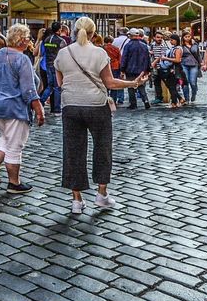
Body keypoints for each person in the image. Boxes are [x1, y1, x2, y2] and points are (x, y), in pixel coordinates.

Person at [55, 19, 150, 213]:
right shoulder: (99, 53)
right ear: (93, 33)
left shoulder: (63, 53)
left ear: (74, 32)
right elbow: (110, 83)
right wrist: (133, 84)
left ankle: (76, 200)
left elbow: (60, 82)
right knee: (102, 148)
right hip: (96, 106)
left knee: (73, 152)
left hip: (71, 106)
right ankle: (102, 193)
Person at [0, 24, 45, 193]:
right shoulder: (22, 59)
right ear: (22, 40)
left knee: (7, 137)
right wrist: (39, 109)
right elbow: (28, 90)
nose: (29, 41)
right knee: (15, 145)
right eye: (28, 38)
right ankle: (14, 183)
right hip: (14, 107)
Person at [38, 21, 66, 114]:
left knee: (50, 86)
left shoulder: (46, 40)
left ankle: (41, 102)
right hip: (57, 66)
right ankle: (57, 109)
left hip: (48, 64)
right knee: (57, 87)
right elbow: (64, 55)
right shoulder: (61, 41)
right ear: (59, 29)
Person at [120, 29, 152, 109]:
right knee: (141, 86)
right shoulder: (144, 45)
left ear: (130, 35)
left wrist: (122, 70)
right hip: (141, 69)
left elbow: (124, 58)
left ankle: (133, 103)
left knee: (131, 86)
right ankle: (146, 101)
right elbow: (147, 58)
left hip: (130, 69)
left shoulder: (128, 45)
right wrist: (148, 69)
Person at [158, 34, 185, 108]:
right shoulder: (174, 48)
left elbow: (177, 60)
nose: (170, 41)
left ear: (176, 40)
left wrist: (166, 59)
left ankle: (174, 102)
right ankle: (178, 100)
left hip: (175, 69)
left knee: (171, 86)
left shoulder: (178, 49)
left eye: (172, 40)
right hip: (171, 68)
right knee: (170, 85)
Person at [178, 30, 204, 105]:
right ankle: (186, 98)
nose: (187, 38)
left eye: (189, 36)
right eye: (186, 37)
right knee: (185, 82)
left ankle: (194, 93)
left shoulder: (195, 44)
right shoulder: (181, 46)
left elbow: (198, 54)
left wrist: (201, 62)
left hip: (194, 64)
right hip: (184, 64)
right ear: (183, 38)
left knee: (193, 82)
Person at [148, 30, 172, 105]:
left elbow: (161, 56)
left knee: (167, 82)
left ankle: (174, 96)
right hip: (155, 67)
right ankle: (159, 97)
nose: (160, 39)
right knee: (156, 82)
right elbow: (152, 53)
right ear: (154, 38)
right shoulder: (152, 45)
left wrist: (154, 62)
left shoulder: (164, 45)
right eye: (158, 37)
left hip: (162, 66)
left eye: (161, 37)